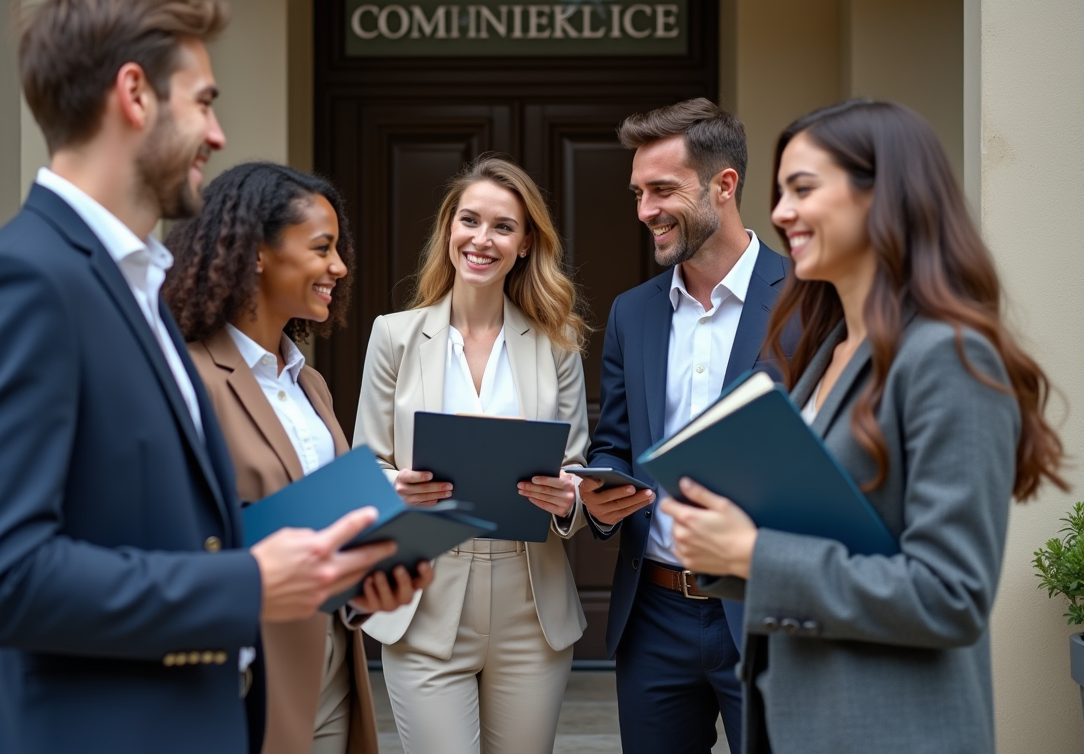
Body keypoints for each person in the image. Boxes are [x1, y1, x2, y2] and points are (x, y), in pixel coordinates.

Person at [0, 0, 394, 754]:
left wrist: (333, 576)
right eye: (203, 102)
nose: (217, 133)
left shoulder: (139, 290)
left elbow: (167, 540)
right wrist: (248, 585)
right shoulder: (19, 284)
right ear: (134, 94)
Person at [662, 99, 1068, 754]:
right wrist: (721, 544)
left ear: (885, 196)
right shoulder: (824, 353)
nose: (781, 213)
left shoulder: (947, 357)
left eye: (802, 189)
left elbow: (951, 593)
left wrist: (754, 554)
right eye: (780, 193)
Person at [163, 161, 433, 754]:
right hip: (246, 674)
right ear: (256, 252)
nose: (339, 266)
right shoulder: (188, 378)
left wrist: (369, 584)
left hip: (334, 666)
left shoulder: (308, 383)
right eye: (322, 248)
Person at [352, 155, 590, 754]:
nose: (482, 240)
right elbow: (365, 470)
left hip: (530, 605)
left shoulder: (558, 345)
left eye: (503, 227)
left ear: (526, 243)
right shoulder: (394, 336)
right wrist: (392, 489)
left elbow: (578, 473)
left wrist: (568, 498)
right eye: (469, 221)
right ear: (448, 229)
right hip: (427, 595)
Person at [581, 98, 797, 754]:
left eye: (662, 189)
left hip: (768, 613)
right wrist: (603, 492)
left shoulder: (806, 299)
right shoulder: (632, 313)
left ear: (723, 185)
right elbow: (615, 442)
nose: (645, 209)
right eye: (638, 192)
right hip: (652, 618)